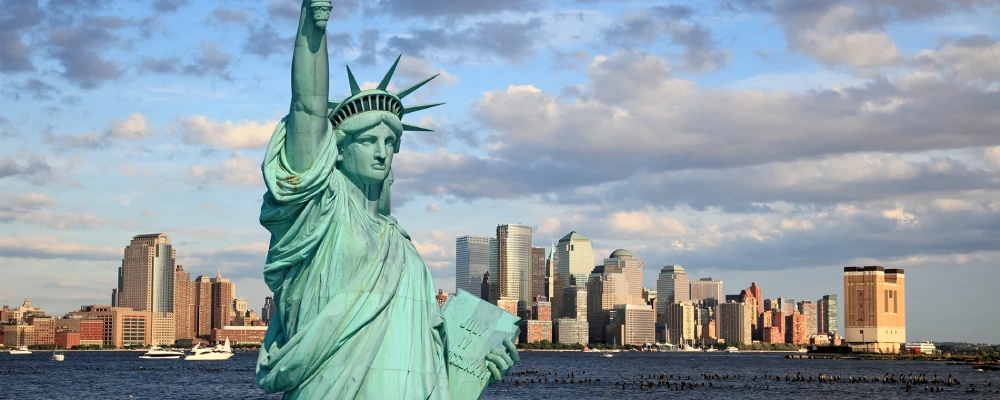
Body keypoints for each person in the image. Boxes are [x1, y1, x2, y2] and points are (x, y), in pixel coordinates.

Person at [253, 1, 516, 399]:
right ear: (337, 150)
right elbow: (306, 107)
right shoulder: (321, 211)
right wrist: (312, 22)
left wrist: (477, 366)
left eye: (390, 141)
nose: (382, 152)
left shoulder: (403, 246)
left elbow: (425, 360)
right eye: (368, 140)